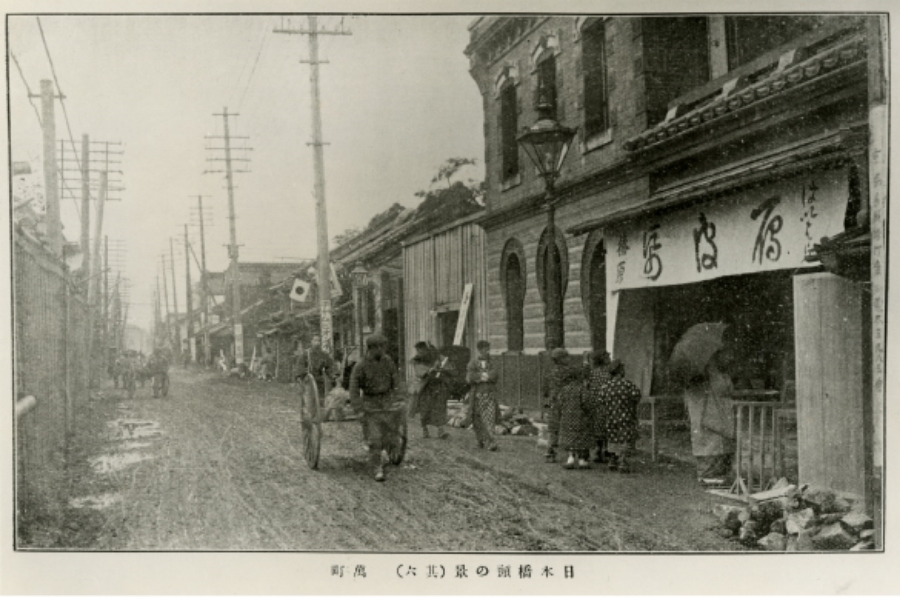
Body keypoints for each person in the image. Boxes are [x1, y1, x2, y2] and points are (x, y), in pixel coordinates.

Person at [349, 334, 402, 482]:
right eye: (381, 347)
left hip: (388, 402)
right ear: (373, 348)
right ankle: (377, 467)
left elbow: (395, 379)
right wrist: (358, 409)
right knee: (375, 439)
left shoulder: (388, 361)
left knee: (392, 436)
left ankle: (388, 451)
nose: (384, 350)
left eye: (384, 347)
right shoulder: (360, 366)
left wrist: (400, 397)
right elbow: (353, 389)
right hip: (370, 405)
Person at [683, 349, 736, 484]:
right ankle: (713, 476)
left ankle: (710, 476)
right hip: (713, 417)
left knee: (712, 445)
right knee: (714, 445)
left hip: (709, 416)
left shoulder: (699, 376)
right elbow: (726, 389)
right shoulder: (713, 375)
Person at [598, 359, 642, 473]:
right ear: (620, 371)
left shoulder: (605, 387)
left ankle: (612, 460)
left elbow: (600, 401)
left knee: (612, 439)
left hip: (610, 418)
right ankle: (623, 461)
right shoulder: (627, 384)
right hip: (626, 417)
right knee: (625, 439)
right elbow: (636, 396)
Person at [411, 343, 454, 439]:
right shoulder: (417, 360)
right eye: (418, 351)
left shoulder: (435, 357)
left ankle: (441, 431)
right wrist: (431, 369)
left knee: (439, 407)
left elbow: (447, 366)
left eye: (422, 350)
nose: (420, 352)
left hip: (437, 385)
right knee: (424, 408)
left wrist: (441, 367)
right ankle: (425, 430)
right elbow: (419, 372)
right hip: (425, 387)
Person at [466, 340, 500, 451]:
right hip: (477, 395)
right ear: (479, 350)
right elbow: (469, 377)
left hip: (489, 394)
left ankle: (491, 442)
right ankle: (480, 441)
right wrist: (485, 376)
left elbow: (495, 375)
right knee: (477, 420)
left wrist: (480, 377)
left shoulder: (492, 362)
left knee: (490, 419)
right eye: (484, 349)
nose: (487, 351)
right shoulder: (473, 363)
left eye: (488, 349)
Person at [557, 363, 592, 469]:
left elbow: (560, 403)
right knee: (581, 438)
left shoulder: (564, 390)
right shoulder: (582, 390)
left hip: (567, 418)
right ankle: (582, 460)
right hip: (580, 418)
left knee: (570, 439)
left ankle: (571, 458)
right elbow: (587, 403)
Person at [542, 347, 569, 463]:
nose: (569, 359)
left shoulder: (550, 373)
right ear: (561, 359)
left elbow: (545, 390)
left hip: (553, 402)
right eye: (566, 357)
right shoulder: (567, 372)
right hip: (564, 402)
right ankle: (568, 453)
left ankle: (550, 451)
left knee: (552, 428)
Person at [585, 350, 612, 463]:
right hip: (606, 404)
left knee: (597, 428)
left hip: (594, 404)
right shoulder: (609, 373)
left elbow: (587, 387)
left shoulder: (592, 373)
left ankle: (597, 450)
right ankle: (605, 450)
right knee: (606, 428)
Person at [296, 334, 336, 403]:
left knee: (321, 400)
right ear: (311, 342)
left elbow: (329, 366)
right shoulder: (306, 354)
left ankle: (320, 410)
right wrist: (302, 376)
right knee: (310, 401)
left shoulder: (323, 354)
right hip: (308, 380)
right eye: (315, 340)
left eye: (319, 341)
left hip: (320, 380)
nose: (317, 343)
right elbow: (300, 367)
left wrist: (333, 375)